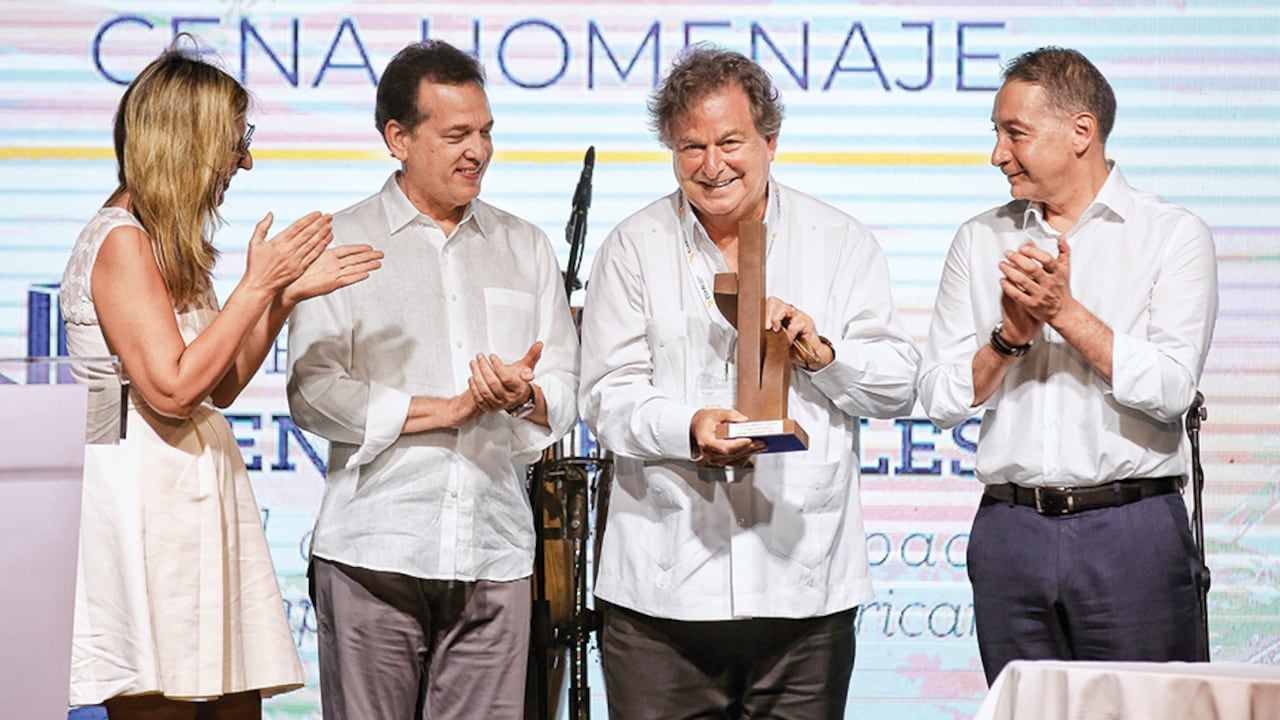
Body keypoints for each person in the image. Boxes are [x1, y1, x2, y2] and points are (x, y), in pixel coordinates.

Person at [578, 46, 920, 719]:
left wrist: (823, 355)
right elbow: (606, 395)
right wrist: (688, 428)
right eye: (690, 147)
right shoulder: (633, 244)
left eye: (730, 142)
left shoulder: (840, 241)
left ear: (770, 140)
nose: (712, 166)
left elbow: (898, 387)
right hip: (661, 596)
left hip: (804, 589)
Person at [61, 43, 382, 719]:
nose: (245, 162)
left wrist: (283, 297)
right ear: (189, 141)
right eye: (236, 143)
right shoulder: (121, 241)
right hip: (141, 508)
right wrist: (256, 285)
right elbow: (171, 390)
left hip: (200, 497)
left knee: (237, 705)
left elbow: (224, 383)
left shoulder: (172, 242)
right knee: (162, 700)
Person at [285, 40, 579, 720]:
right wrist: (444, 409)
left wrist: (526, 396)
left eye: (485, 132)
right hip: (374, 547)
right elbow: (314, 392)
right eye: (455, 135)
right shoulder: (340, 240)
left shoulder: (525, 245)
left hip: (495, 552)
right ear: (398, 138)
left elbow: (565, 383)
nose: (477, 150)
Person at [917, 46, 1218, 685]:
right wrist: (1008, 340)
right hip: (1010, 532)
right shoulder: (979, 239)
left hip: (1131, 528)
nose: (997, 154)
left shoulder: (1170, 235)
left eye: (1014, 133)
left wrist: (1064, 312)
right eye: (996, 133)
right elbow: (940, 397)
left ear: (1081, 132)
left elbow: (1169, 388)